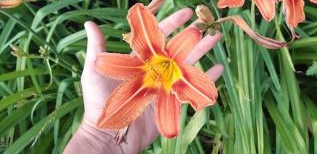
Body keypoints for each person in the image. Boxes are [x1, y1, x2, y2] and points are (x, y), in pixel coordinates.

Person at [64, 8, 223, 154]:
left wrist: (96, 137)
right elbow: (103, 62)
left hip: (170, 66)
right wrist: (97, 136)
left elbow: (141, 17)